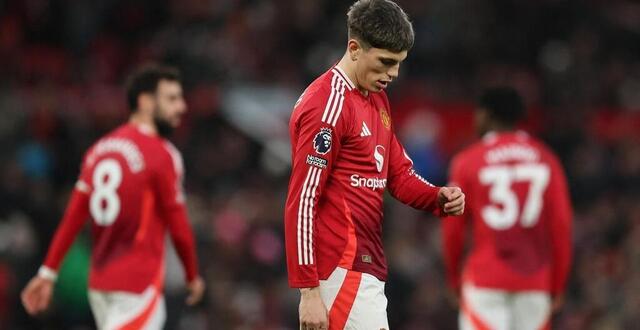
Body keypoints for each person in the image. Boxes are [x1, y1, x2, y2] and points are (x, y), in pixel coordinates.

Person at [283, 1, 465, 329]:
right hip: (338, 269)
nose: (392, 74)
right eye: (385, 62)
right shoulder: (327, 105)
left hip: (365, 267)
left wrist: (437, 197)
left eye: (398, 64)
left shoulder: (376, 98)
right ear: (354, 49)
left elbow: (397, 174)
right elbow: (302, 200)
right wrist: (308, 291)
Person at [21, 64, 205, 329]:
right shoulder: (163, 154)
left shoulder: (98, 150)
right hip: (137, 283)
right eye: (172, 99)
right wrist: (191, 274)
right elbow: (178, 227)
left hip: (100, 283)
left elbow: (73, 218)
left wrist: (48, 272)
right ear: (144, 102)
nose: (181, 107)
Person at [442, 87, 573, 330]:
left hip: (485, 279)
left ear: (485, 115)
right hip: (535, 281)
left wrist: (453, 278)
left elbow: (453, 229)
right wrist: (557, 284)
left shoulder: (468, 161)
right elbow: (562, 227)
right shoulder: (547, 159)